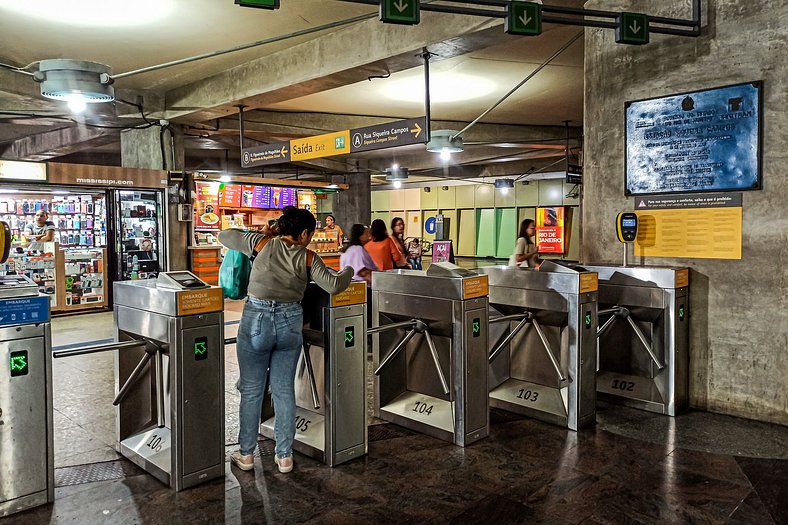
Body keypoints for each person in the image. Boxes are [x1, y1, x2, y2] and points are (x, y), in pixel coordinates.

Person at [218, 207, 353, 474]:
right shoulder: (308, 257)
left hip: (256, 318)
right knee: (283, 390)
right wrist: (348, 269)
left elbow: (224, 235)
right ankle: (284, 457)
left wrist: (263, 232)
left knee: (252, 389)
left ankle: (245, 455)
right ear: (303, 233)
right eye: (311, 234)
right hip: (290, 322)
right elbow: (335, 285)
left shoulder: (260, 242)